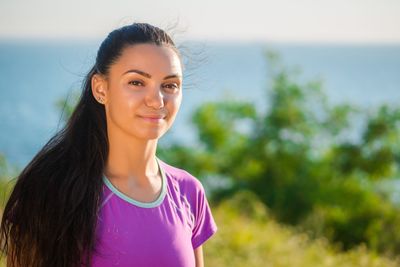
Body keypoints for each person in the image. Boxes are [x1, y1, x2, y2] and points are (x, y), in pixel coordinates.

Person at [0, 22, 218, 267]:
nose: (157, 101)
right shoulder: (52, 191)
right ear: (100, 89)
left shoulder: (189, 192)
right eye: (137, 82)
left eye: (169, 85)